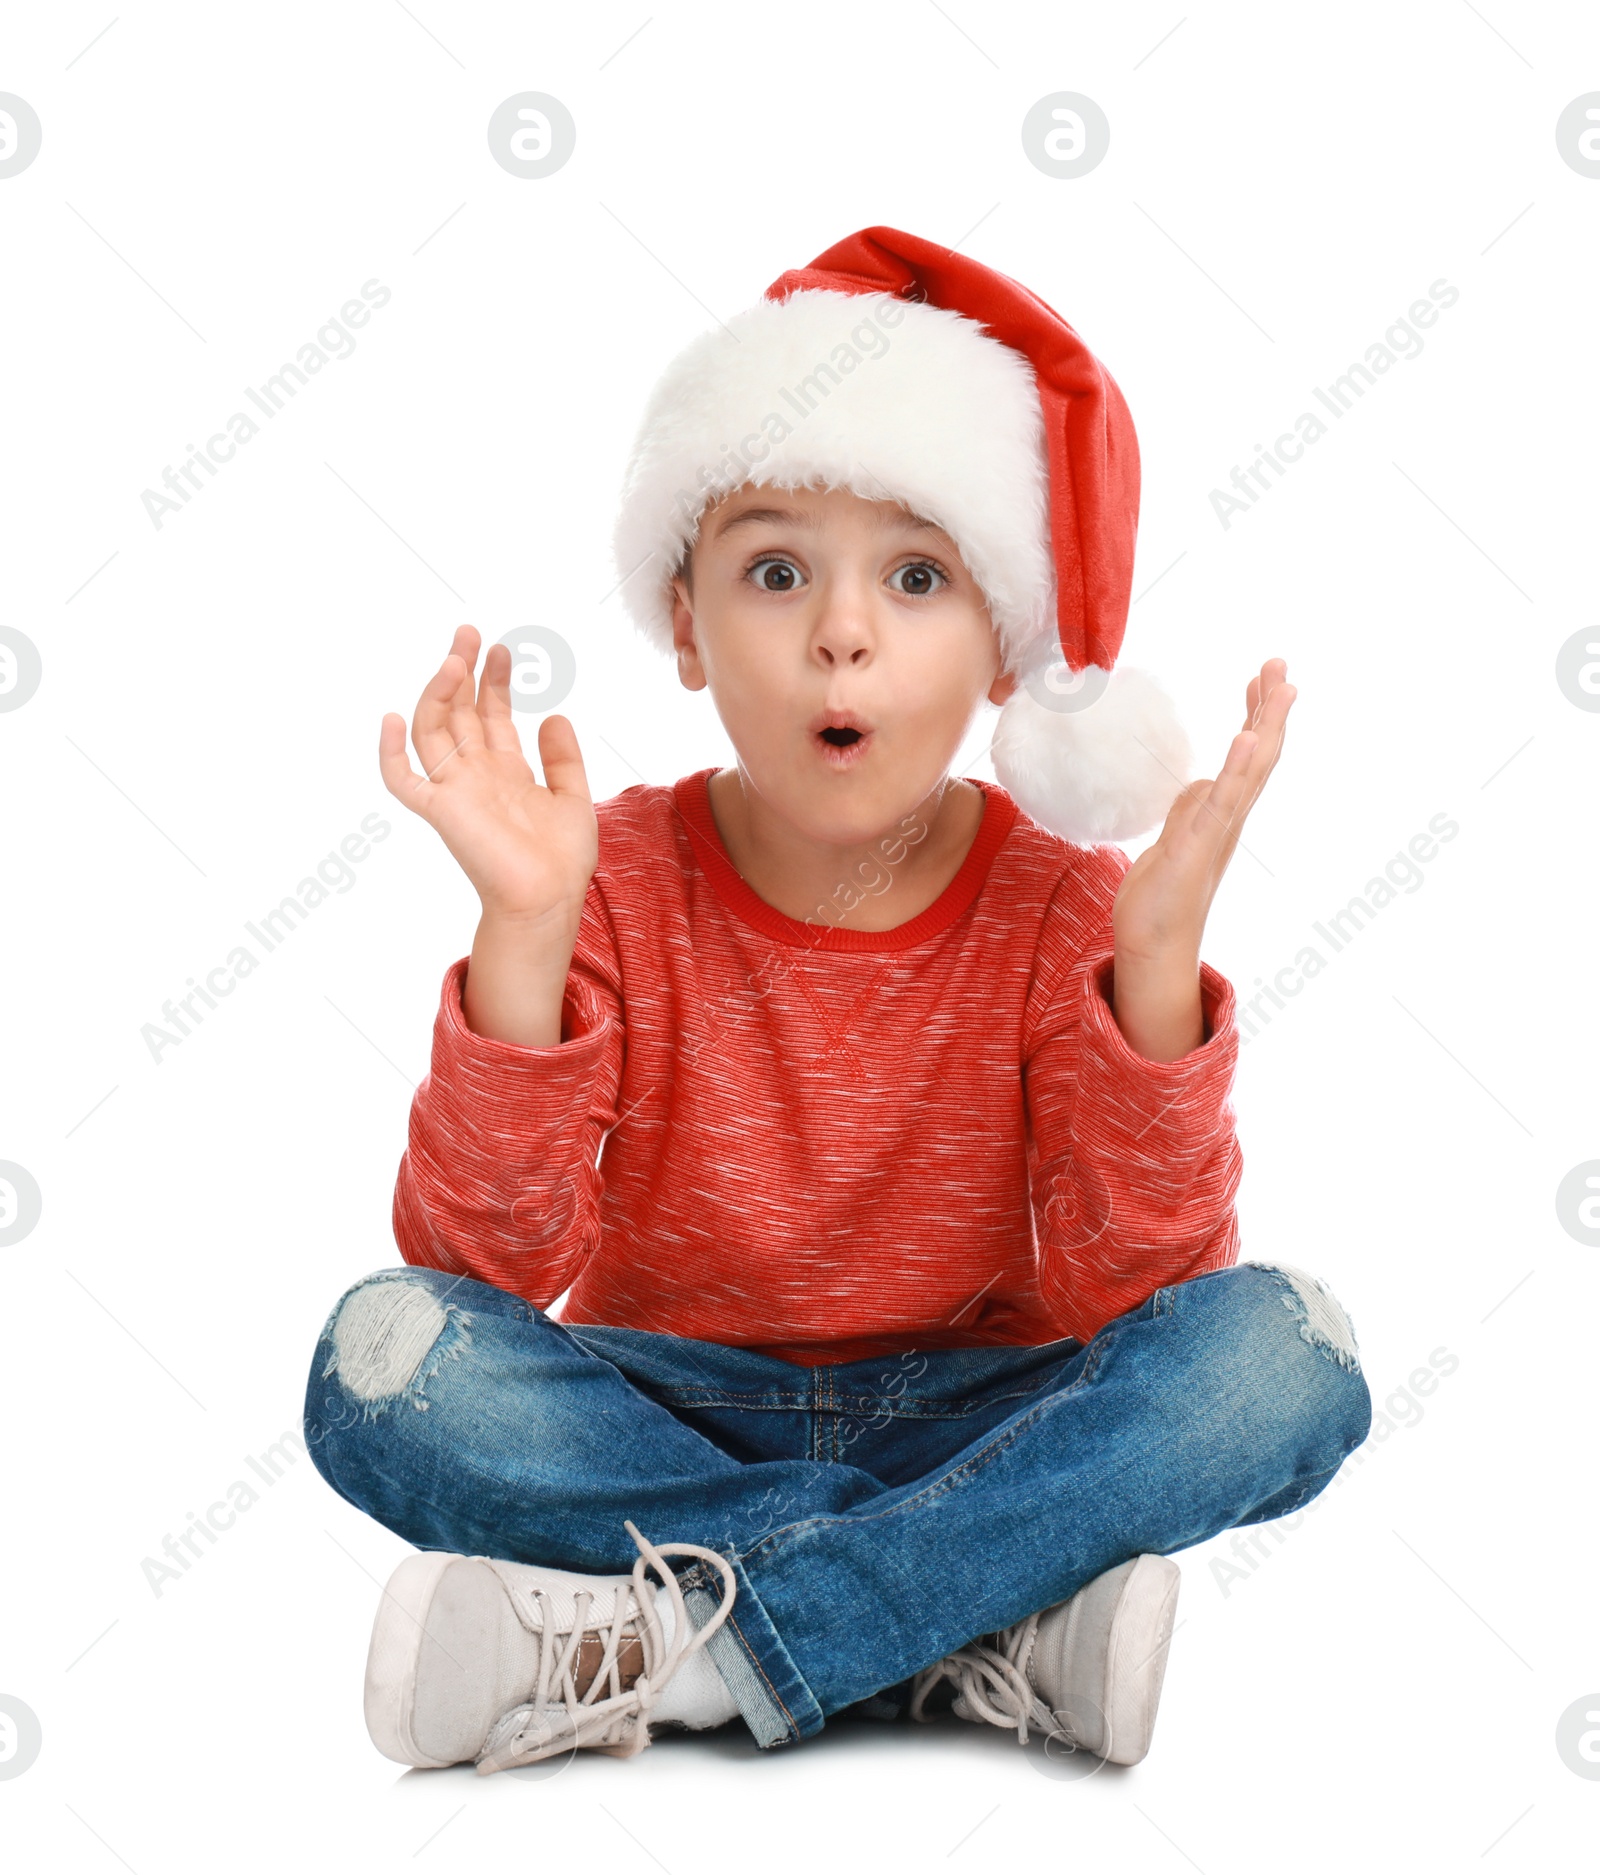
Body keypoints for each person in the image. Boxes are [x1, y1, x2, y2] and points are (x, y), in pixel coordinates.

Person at [303, 227, 1372, 1776]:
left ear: (1007, 655)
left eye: (919, 576)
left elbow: (1128, 1306)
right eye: (776, 569)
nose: (841, 633)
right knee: (382, 1360)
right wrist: (525, 933)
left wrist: (1147, 990)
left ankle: (683, 1644)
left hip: (980, 1412)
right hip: (672, 1414)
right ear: (685, 624)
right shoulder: (603, 874)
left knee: (1288, 1353)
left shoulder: (1061, 901)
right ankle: (972, 1617)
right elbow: (481, 1271)